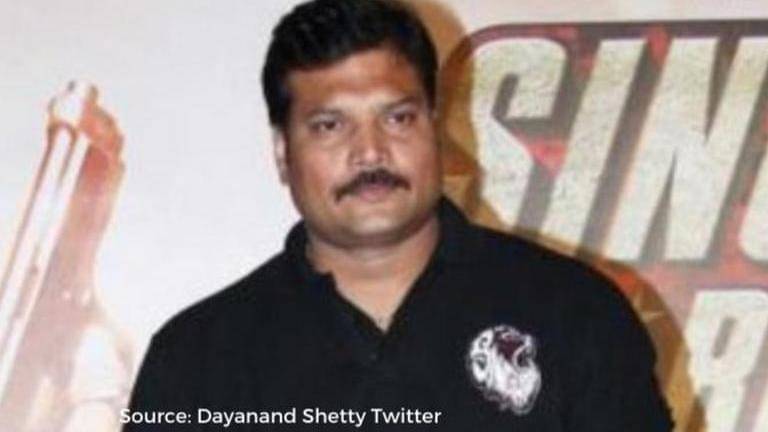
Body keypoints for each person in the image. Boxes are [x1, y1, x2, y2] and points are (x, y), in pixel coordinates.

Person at [123, 0, 674, 430]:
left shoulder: (574, 315)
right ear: (282, 153)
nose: (370, 152)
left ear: (435, 126)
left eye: (398, 118)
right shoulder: (198, 358)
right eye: (330, 126)